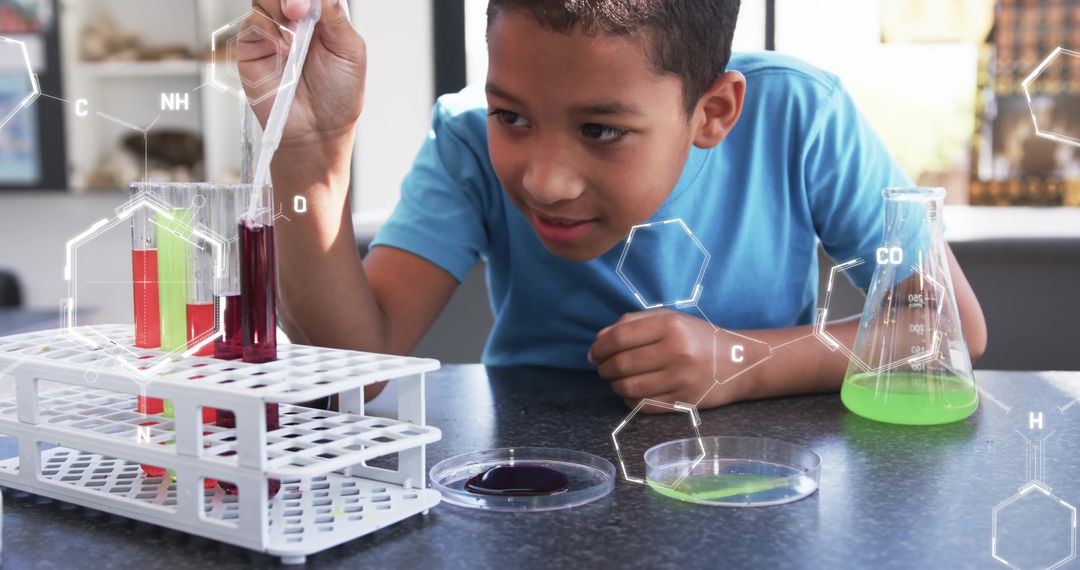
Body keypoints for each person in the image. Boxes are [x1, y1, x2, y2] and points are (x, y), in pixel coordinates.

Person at [241, 0, 987, 412]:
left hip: (758, 477)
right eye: (512, 116)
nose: (545, 182)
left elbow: (947, 330)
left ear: (713, 112)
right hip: (532, 480)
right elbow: (355, 369)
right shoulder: (465, 138)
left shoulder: (801, 115)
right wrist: (309, 154)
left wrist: (742, 360)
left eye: (601, 130)